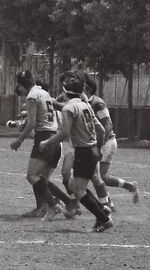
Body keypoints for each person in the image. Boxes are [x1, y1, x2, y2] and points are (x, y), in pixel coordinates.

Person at [39, 71, 113, 232]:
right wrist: (97, 147)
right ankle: (103, 211)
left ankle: (104, 219)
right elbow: (100, 129)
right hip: (92, 150)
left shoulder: (69, 108)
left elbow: (64, 132)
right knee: (76, 186)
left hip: (83, 152)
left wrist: (47, 142)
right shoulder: (85, 105)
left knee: (78, 190)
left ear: (65, 91)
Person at [10, 70, 71, 220]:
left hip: (44, 137)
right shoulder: (44, 93)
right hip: (55, 138)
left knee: (32, 176)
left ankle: (54, 206)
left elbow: (31, 123)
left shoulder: (31, 96)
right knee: (42, 179)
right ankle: (65, 204)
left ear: (21, 85)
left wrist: (18, 141)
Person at [83, 75, 140, 208]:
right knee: (97, 176)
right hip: (96, 143)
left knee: (100, 176)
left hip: (106, 142)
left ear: (88, 88)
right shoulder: (83, 102)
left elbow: (108, 125)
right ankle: (109, 202)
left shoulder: (97, 103)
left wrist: (100, 145)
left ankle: (124, 191)